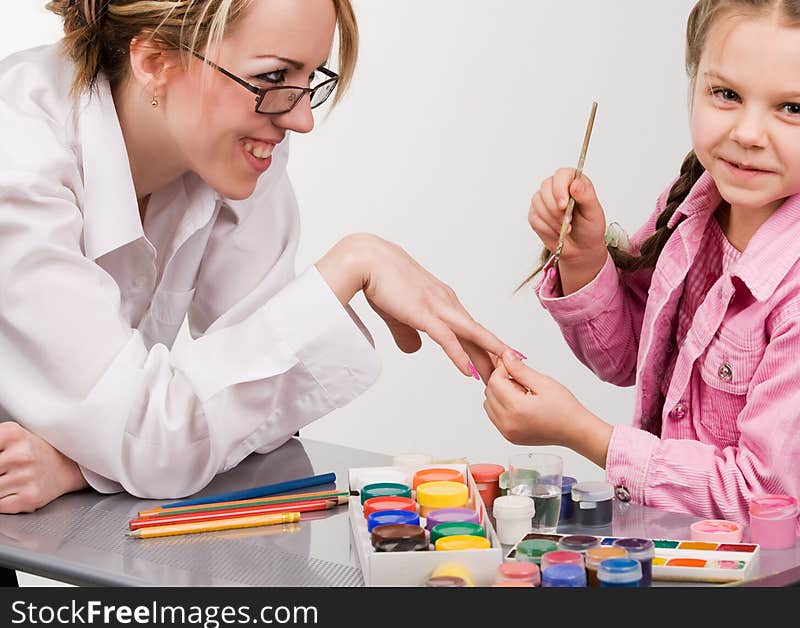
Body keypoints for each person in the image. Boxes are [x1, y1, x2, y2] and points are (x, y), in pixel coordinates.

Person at [0, 0, 510, 512]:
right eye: (272, 76)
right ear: (154, 62)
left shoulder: (232, 141)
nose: (302, 118)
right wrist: (354, 262)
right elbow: (163, 435)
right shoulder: (17, 159)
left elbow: (256, 409)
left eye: (311, 79)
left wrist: (83, 461)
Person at [484, 0, 800, 546]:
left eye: (791, 108)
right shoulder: (698, 207)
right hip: (693, 550)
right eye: (726, 94)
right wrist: (584, 259)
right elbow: (629, 360)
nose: (747, 132)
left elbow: (757, 499)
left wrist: (585, 435)